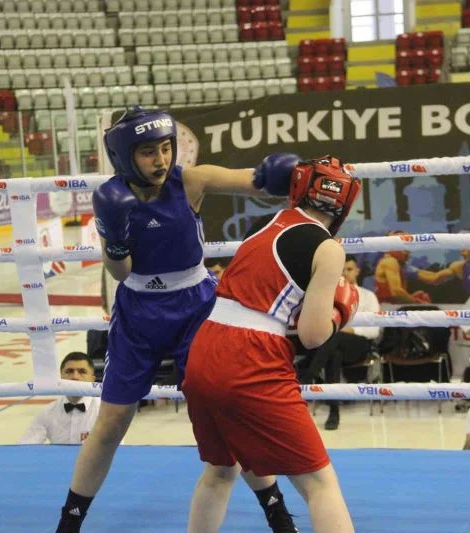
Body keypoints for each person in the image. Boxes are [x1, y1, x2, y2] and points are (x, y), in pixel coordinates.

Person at [55, 107, 301, 533]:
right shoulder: (111, 199)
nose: (162, 160)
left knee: (228, 415)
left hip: (197, 308)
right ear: (125, 156)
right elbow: (121, 272)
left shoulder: (191, 181)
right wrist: (114, 238)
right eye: (149, 152)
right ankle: (69, 522)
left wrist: (283, 176)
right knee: (112, 421)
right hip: (137, 311)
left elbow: (253, 182)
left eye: (166, 148)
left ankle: (277, 512)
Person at [182, 156, 361, 533]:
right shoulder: (328, 249)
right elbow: (312, 335)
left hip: (206, 346)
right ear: (344, 204)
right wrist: (340, 312)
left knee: (220, 470)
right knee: (320, 484)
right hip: (251, 357)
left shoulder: (264, 223)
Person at [296, 255, 381, 430]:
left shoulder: (368, 296)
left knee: (336, 336)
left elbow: (374, 331)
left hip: (359, 346)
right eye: (341, 270)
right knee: (334, 355)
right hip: (331, 347)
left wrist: (350, 330)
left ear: (357, 271)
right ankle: (334, 412)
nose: (345, 274)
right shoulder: (327, 297)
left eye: (349, 269)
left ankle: (308, 374)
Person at [18, 352, 100, 445]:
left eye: (82, 372)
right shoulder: (48, 412)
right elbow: (25, 445)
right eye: (69, 371)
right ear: (61, 377)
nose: (75, 377)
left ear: (93, 379)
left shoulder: (103, 410)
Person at [373, 231, 449, 305]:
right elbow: (396, 292)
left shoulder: (402, 265)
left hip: (389, 306)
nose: (407, 251)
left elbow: (433, 278)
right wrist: (417, 302)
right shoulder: (390, 262)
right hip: (385, 308)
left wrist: (452, 271)